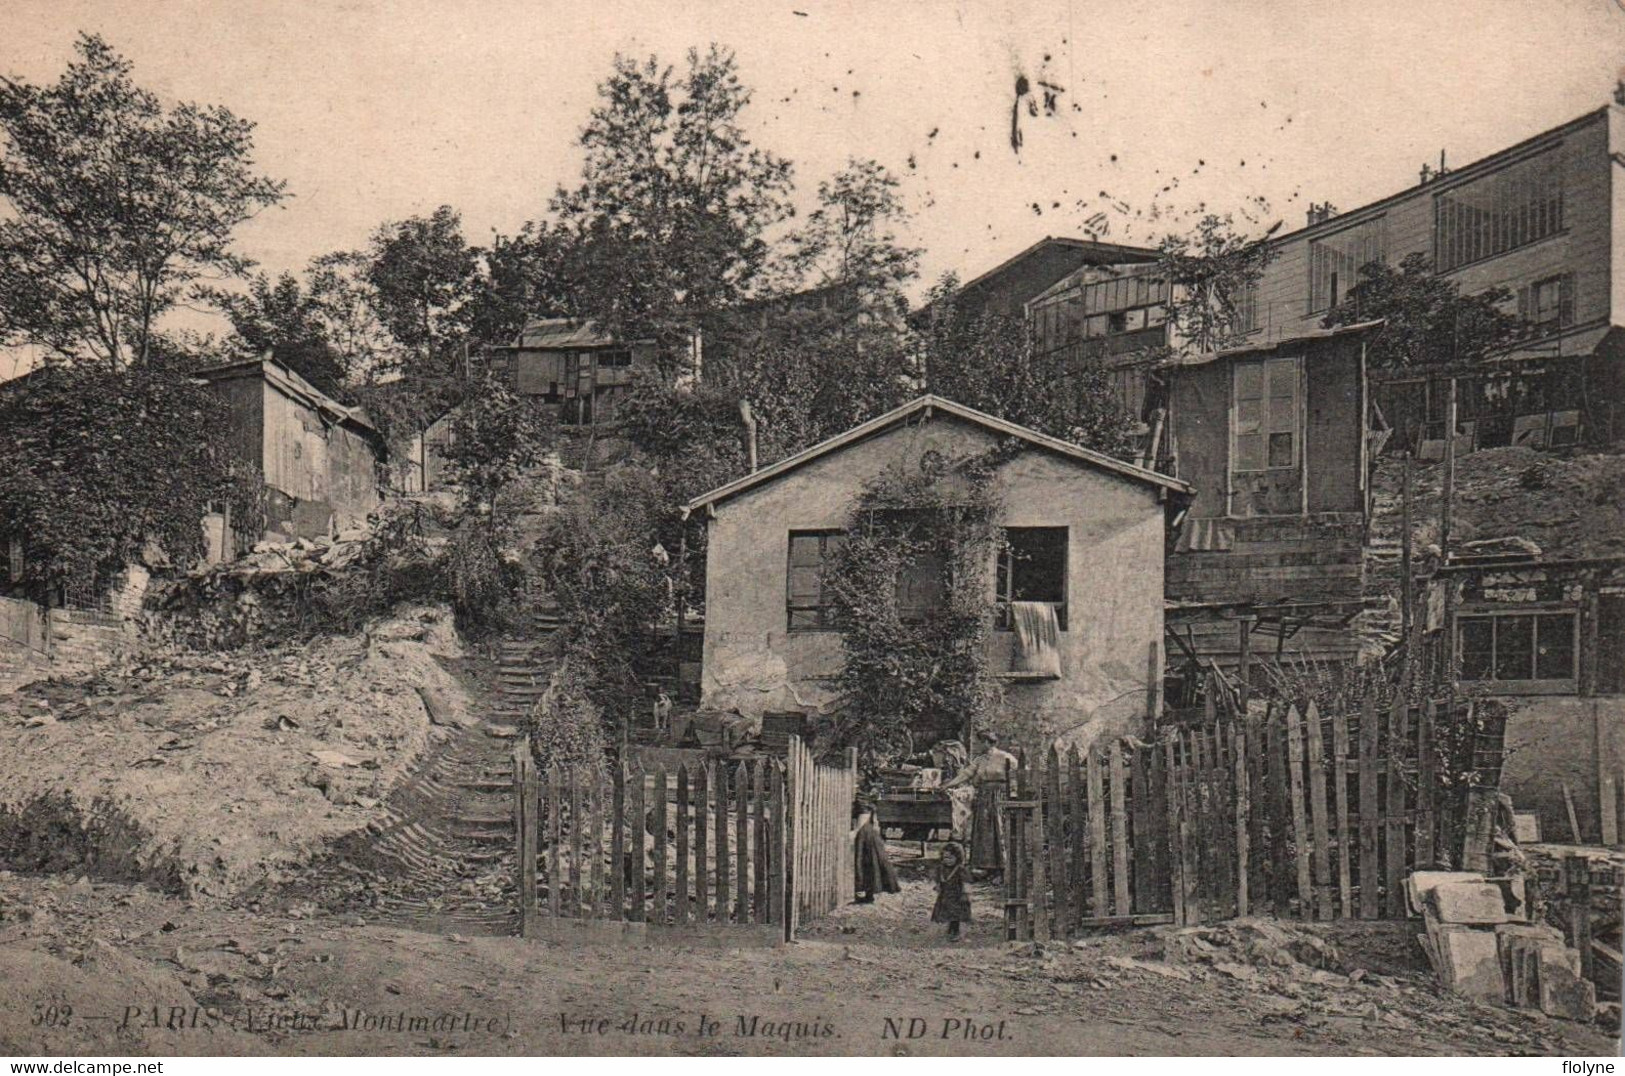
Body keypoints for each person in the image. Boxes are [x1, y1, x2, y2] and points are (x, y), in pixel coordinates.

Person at [942, 730, 1018, 880]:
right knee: (984, 832)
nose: (977, 744)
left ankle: (1002, 870)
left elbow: (1017, 775)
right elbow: (965, 774)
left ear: (987, 742)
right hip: (983, 798)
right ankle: (987, 868)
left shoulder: (1005, 757)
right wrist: (947, 785)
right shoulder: (980, 759)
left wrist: (1013, 794)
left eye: (979, 742)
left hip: (999, 796)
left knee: (998, 830)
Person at [851, 799, 900, 903]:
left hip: (865, 833)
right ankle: (868, 895)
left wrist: (855, 832)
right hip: (870, 833)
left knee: (864, 863)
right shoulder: (869, 797)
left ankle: (866, 894)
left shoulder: (862, 798)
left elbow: (864, 817)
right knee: (871, 864)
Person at [932, 840, 972, 941]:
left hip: (957, 896)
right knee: (946, 913)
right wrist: (938, 885)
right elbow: (938, 879)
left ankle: (956, 932)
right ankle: (948, 930)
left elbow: (966, 882)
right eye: (945, 857)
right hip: (945, 895)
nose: (948, 860)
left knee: (956, 914)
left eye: (951, 858)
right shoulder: (941, 869)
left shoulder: (960, 869)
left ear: (957, 858)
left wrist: (965, 893)